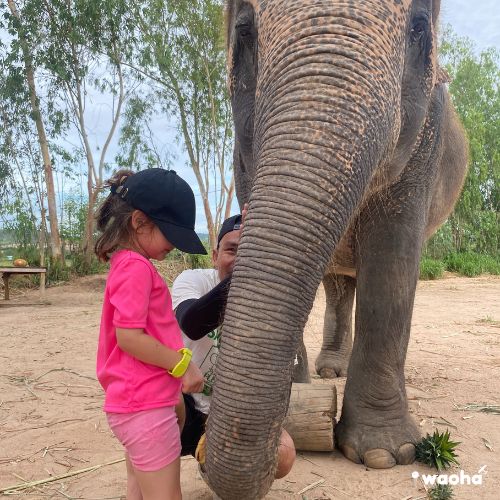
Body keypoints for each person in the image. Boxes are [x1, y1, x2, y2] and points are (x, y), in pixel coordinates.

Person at [95, 168, 206, 500]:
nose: (173, 244)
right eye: (170, 233)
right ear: (140, 222)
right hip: (144, 409)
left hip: (137, 405)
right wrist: (182, 365)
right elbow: (129, 337)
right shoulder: (136, 268)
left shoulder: (126, 264)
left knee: (138, 490)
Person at [172, 213, 296, 480]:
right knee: (159, 407)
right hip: (187, 404)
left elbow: (281, 377)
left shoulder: (275, 301)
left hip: (236, 411)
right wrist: (249, 276)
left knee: (283, 457)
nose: (242, 259)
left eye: (252, 251)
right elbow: (191, 323)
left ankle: (216, 464)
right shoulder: (193, 281)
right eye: (233, 250)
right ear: (215, 256)